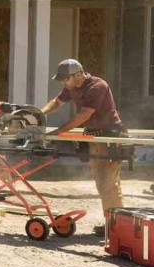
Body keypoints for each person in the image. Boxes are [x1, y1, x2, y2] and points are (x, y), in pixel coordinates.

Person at [40, 59, 124, 236]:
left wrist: (59, 131)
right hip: (93, 131)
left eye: (65, 79)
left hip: (110, 133)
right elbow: (57, 101)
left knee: (109, 181)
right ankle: (111, 222)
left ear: (78, 75)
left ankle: (117, 226)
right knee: (100, 179)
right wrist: (39, 113)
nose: (64, 83)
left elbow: (84, 114)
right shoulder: (73, 86)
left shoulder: (97, 86)